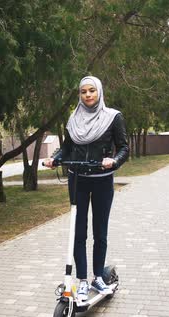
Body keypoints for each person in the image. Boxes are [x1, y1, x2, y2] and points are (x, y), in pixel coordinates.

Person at [43, 76, 129, 301]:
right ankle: (82, 280)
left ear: (99, 92)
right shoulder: (74, 119)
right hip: (77, 179)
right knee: (78, 232)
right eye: (83, 91)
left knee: (100, 231)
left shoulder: (113, 117)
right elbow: (67, 148)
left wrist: (114, 161)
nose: (88, 95)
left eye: (92, 90)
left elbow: (124, 148)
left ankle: (98, 277)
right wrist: (55, 158)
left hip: (102, 180)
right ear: (80, 95)